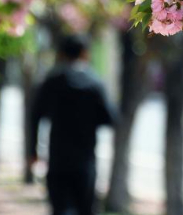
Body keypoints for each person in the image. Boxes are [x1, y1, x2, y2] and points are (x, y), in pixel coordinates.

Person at [29, 34, 117, 215]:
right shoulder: (95, 83)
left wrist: (32, 151)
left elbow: (35, 115)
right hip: (85, 160)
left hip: (57, 159)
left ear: (61, 54)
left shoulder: (52, 81)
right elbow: (110, 118)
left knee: (60, 209)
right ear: (85, 53)